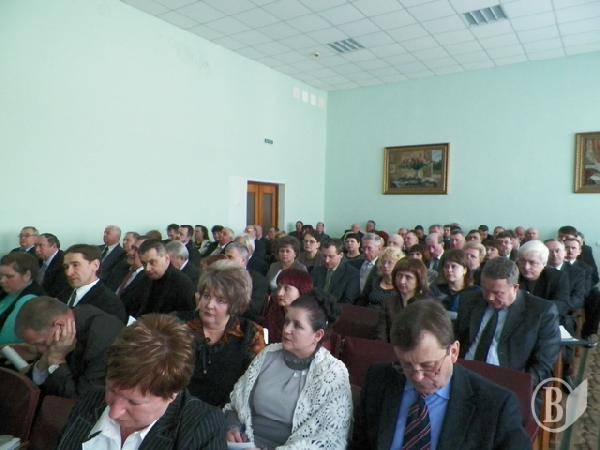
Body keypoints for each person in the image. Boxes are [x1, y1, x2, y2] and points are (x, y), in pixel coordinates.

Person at [353, 299, 531, 450]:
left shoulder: (495, 406)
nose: (417, 377)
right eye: (405, 365)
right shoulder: (379, 380)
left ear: (453, 352)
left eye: (428, 366)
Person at [56, 314, 226, 449]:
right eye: (112, 390)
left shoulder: (200, 428)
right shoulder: (91, 399)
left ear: (172, 395)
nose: (113, 413)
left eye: (133, 402)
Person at [224, 290, 352, 449]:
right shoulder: (267, 354)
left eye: (297, 326)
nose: (286, 330)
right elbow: (236, 406)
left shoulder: (332, 373)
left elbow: (328, 439)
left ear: (318, 335)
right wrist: (233, 429)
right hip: (244, 443)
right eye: (287, 322)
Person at [455, 258, 560, 386]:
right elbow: (454, 341)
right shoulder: (470, 300)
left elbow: (543, 365)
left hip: (507, 382)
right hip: (463, 375)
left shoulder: (541, 312)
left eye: (497, 293)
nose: (490, 297)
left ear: (515, 288)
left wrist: (518, 385)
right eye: (485, 290)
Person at [183, 261, 265, 407]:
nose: (209, 305)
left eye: (220, 300)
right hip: (180, 408)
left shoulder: (250, 333)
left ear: (235, 304)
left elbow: (253, 386)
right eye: (206, 296)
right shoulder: (180, 326)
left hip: (227, 410)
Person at [16, 296, 124, 398]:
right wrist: (45, 361)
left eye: (42, 343)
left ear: (59, 325)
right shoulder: (63, 323)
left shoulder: (104, 338)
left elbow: (81, 399)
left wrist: (56, 360)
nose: (39, 350)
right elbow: (31, 387)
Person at [60, 244, 128, 324]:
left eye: (75, 265)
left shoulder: (110, 304)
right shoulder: (64, 292)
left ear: (95, 265)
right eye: (66, 267)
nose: (68, 273)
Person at [377, 258, 433, 342]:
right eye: (399, 276)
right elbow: (381, 335)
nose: (402, 281)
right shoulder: (388, 302)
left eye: (408, 277)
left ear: (419, 280)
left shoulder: (427, 305)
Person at [137, 240, 195, 315]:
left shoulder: (183, 284)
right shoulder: (144, 277)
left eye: (152, 262)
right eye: (144, 263)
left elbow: (187, 316)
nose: (147, 268)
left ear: (167, 259)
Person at [0, 253, 43, 345]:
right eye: (1, 276)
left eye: (9, 276)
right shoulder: (9, 289)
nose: (2, 280)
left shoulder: (31, 300)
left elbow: (6, 340)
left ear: (27, 275)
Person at [265, 268, 314, 343]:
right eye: (279, 287)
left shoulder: (311, 318)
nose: (279, 293)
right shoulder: (274, 311)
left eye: (286, 288)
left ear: (302, 290)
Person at [225, 241, 269, 320]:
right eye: (225, 257)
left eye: (230, 257)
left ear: (243, 260)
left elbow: (253, 309)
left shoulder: (258, 281)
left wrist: (224, 306)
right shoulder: (218, 275)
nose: (226, 261)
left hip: (240, 320)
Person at [311, 239, 360, 304]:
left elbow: (347, 302)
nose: (326, 260)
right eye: (324, 256)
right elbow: (310, 293)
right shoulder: (316, 270)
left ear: (341, 255)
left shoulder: (352, 274)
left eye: (331, 256)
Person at [437, 249, 480, 314]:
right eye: (446, 267)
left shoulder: (474, 292)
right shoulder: (436, 290)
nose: (449, 270)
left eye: (453, 266)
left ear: (464, 270)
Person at [34, 233, 69, 298]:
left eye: (40, 245)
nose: (36, 249)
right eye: (35, 246)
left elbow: (56, 291)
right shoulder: (37, 259)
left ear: (54, 246)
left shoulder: (64, 263)